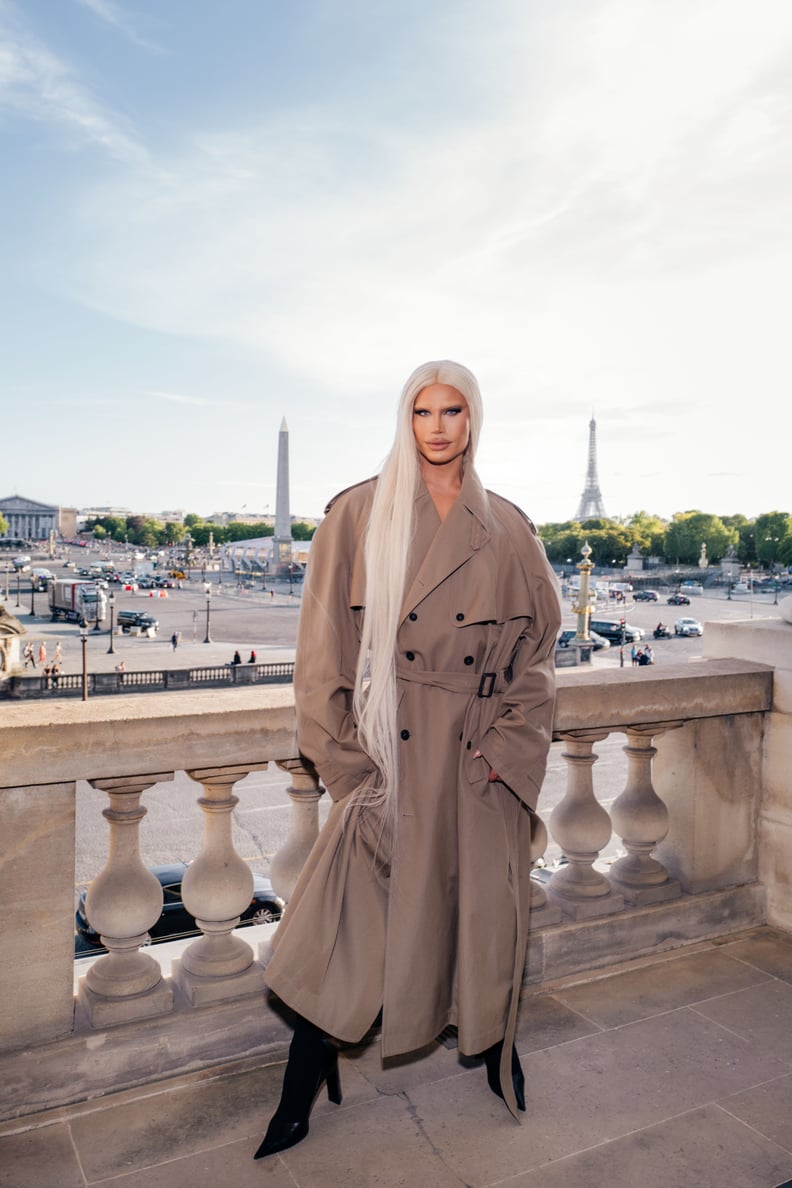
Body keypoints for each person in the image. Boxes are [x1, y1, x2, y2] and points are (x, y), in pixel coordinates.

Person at [257, 360, 561, 1160]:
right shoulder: (356, 517)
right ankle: (300, 1088)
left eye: (452, 410)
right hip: (390, 765)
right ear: (405, 418)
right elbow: (321, 665)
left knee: (483, 926)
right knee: (349, 935)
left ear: (473, 419)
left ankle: (498, 1051)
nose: (436, 425)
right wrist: (352, 773)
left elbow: (539, 659)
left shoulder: (510, 526)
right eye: (422, 410)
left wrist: (503, 754)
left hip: (474, 767)